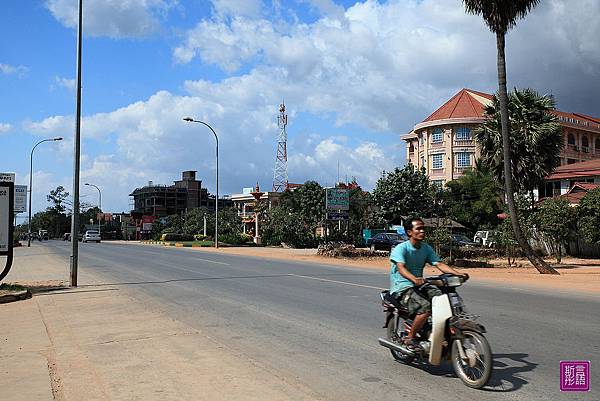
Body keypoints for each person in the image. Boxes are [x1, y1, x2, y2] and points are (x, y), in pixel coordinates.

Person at [389, 216, 468, 350]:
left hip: (419, 285)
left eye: (423, 228)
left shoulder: (426, 248)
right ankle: (410, 337)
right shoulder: (401, 248)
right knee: (426, 306)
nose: (422, 231)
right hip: (403, 288)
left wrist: (457, 273)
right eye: (418, 229)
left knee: (443, 299)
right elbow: (401, 268)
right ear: (409, 232)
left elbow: (439, 264)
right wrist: (414, 279)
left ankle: (437, 331)